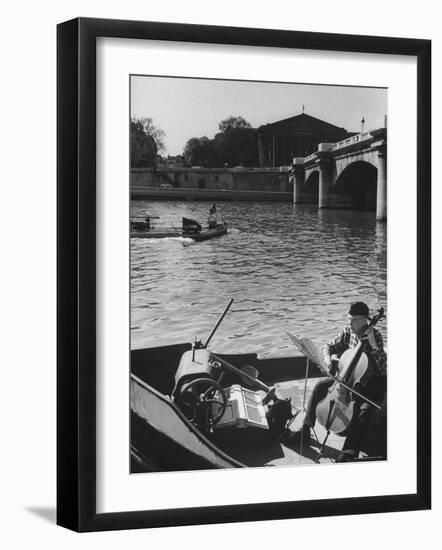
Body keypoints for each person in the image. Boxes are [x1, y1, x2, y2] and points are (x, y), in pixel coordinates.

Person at [285, 301, 387, 461]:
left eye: (352, 319)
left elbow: (382, 369)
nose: (349, 322)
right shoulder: (349, 331)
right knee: (320, 386)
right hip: (347, 380)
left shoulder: (376, 336)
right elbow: (328, 346)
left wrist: (374, 347)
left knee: (364, 410)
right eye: (349, 319)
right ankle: (305, 429)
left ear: (363, 320)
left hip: (369, 384)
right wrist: (328, 358)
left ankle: (349, 452)